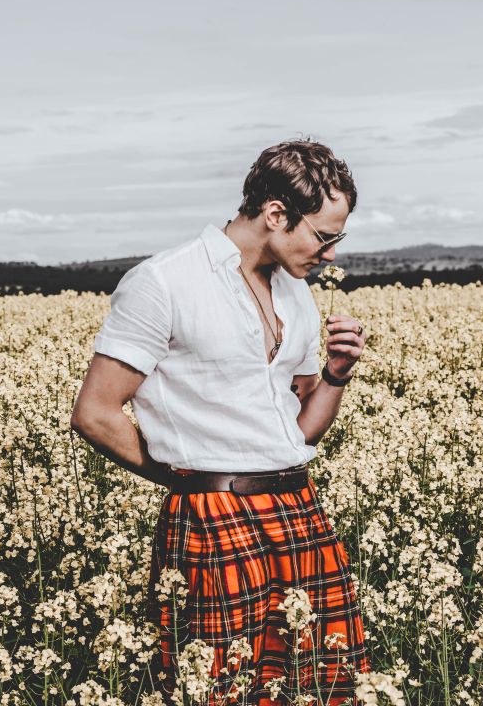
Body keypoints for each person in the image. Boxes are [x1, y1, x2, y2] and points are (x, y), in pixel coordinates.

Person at [70, 140, 371, 704]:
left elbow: (300, 430)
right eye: (323, 236)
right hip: (213, 514)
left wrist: (334, 375)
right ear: (276, 214)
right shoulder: (164, 282)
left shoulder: (296, 292)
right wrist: (187, 481)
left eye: (337, 239)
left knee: (323, 687)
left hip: (299, 507)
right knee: (218, 691)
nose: (330, 253)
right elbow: (95, 413)